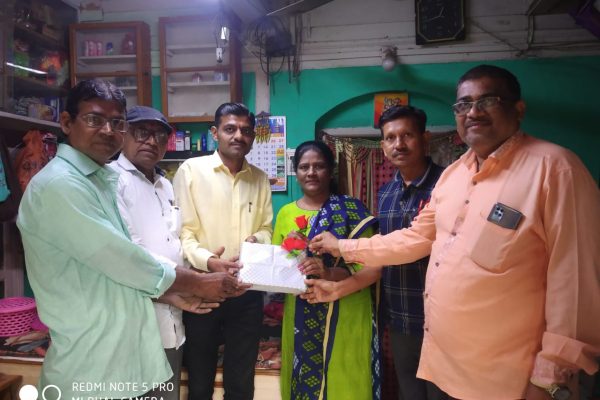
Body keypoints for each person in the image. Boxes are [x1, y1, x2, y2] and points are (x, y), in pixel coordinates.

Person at [307, 65, 600, 400]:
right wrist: (343, 247)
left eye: (487, 101)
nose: (473, 112)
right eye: (463, 105)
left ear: (518, 109)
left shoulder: (555, 169)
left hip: (510, 379)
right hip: (443, 363)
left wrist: (551, 377)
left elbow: (575, 283)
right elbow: (415, 238)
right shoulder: (453, 176)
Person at [17, 79, 246, 400]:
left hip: (134, 346)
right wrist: (198, 282)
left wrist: (173, 292)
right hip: (92, 365)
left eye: (117, 123)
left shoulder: (107, 181)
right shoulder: (62, 185)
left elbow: (122, 268)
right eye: (95, 119)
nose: (108, 130)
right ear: (67, 123)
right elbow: (123, 259)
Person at [173, 102, 273, 400]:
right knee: (199, 380)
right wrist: (210, 262)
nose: (238, 136)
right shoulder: (191, 171)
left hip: (247, 290)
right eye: (230, 129)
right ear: (215, 133)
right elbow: (183, 233)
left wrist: (256, 240)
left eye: (246, 130)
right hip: (203, 289)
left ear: (252, 136)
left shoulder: (259, 178)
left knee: (241, 381)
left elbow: (266, 228)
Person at [272, 140, 380, 400]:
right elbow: (278, 267)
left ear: (330, 170)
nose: (311, 172)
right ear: (295, 172)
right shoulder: (285, 213)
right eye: (304, 167)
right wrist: (293, 250)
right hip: (300, 310)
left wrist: (328, 271)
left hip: (346, 309)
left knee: (346, 377)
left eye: (319, 166)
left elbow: (370, 265)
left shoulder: (352, 210)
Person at [110, 105, 189, 400]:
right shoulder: (111, 180)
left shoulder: (165, 184)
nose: (151, 141)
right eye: (142, 132)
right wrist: (193, 282)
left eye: (160, 136)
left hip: (174, 321)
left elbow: (175, 241)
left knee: (167, 393)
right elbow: (129, 252)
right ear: (123, 134)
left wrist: (202, 267)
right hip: (135, 323)